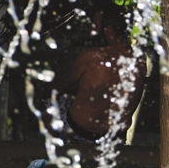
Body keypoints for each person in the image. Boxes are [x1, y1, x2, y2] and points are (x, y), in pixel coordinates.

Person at [48, 8, 144, 142]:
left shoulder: (91, 56)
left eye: (96, 26)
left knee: (48, 99)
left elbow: (62, 83)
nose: (93, 31)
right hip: (115, 136)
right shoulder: (139, 59)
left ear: (108, 30)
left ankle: (48, 150)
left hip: (80, 133)